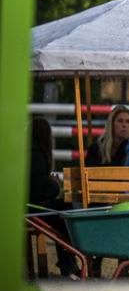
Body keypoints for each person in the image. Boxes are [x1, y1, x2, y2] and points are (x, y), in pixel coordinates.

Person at [28, 117, 81, 278]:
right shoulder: (36, 155)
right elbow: (39, 192)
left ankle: (68, 262)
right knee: (65, 212)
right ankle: (68, 263)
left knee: (62, 209)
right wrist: (54, 184)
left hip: (27, 207)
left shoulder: (28, 152)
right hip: (31, 211)